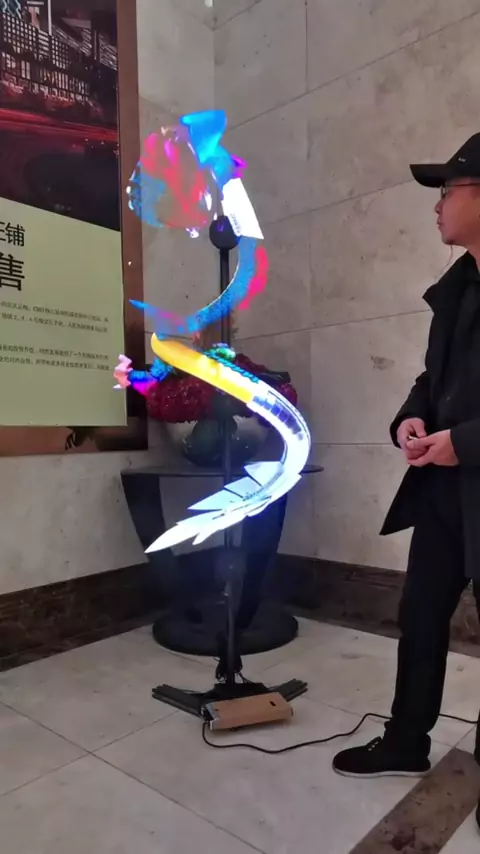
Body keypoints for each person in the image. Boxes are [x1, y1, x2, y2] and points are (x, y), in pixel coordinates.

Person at [332, 134, 480, 826]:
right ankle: (405, 740)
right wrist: (411, 420)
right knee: (419, 615)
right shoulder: (456, 290)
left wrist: (466, 444)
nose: (437, 206)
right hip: (443, 491)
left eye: (447, 190)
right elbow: (431, 380)